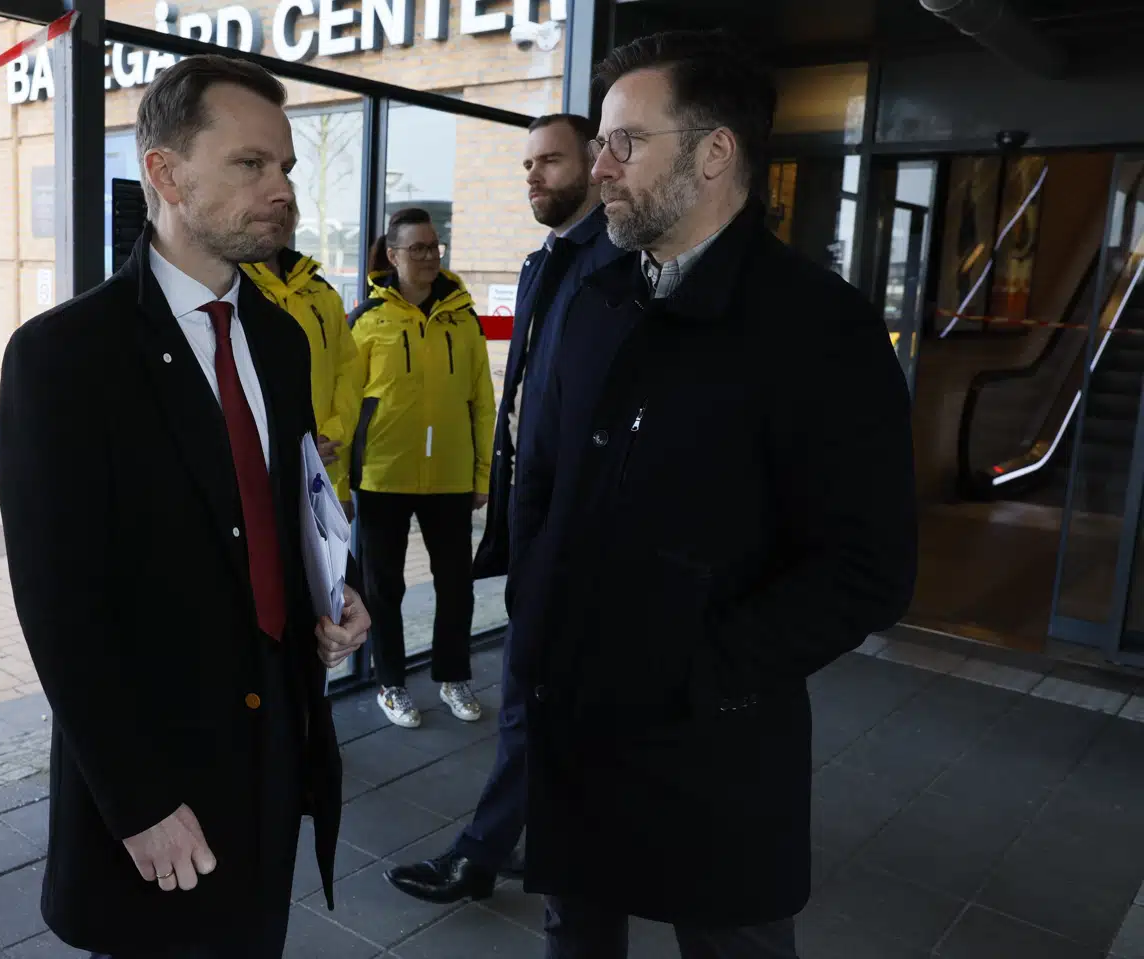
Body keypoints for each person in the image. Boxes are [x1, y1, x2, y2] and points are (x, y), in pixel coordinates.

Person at [507, 30, 917, 958]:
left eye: (626, 142)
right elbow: (539, 482)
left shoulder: (821, 327)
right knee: (576, 927)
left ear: (714, 153)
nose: (599, 166)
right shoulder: (596, 293)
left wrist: (703, 669)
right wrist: (533, 611)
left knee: (734, 942)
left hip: (717, 738)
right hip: (576, 716)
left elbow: (868, 569)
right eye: (602, 142)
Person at [0, 54, 371, 959]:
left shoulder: (279, 339)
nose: (283, 188)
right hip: (162, 778)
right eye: (252, 165)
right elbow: (59, 607)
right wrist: (139, 800)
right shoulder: (66, 359)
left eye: (285, 165)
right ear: (164, 172)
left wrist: (332, 596)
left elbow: (280, 511)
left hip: (279, 746)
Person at [384, 114, 627, 903]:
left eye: (548, 160)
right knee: (539, 688)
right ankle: (536, 839)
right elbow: (523, 391)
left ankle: (484, 851)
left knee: (531, 687)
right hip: (534, 511)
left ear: (595, 163)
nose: (532, 176)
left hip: (579, 522)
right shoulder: (540, 264)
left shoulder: (621, 261)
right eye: (525, 163)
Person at [347, 208, 496, 728]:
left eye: (435, 247)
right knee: (383, 587)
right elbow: (347, 407)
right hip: (383, 477)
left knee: (456, 584)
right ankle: (391, 683)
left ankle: (453, 676)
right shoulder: (367, 320)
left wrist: (482, 477)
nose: (430, 256)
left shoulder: (464, 318)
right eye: (418, 249)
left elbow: (482, 402)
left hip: (451, 478)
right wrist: (343, 484)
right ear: (392, 255)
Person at [242, 199, 360, 510]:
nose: (279, 216)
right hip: (257, 474)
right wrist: (290, 444)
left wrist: (333, 434)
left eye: (288, 208)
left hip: (323, 465)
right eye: (271, 205)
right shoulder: (231, 287)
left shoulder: (322, 292)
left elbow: (348, 370)